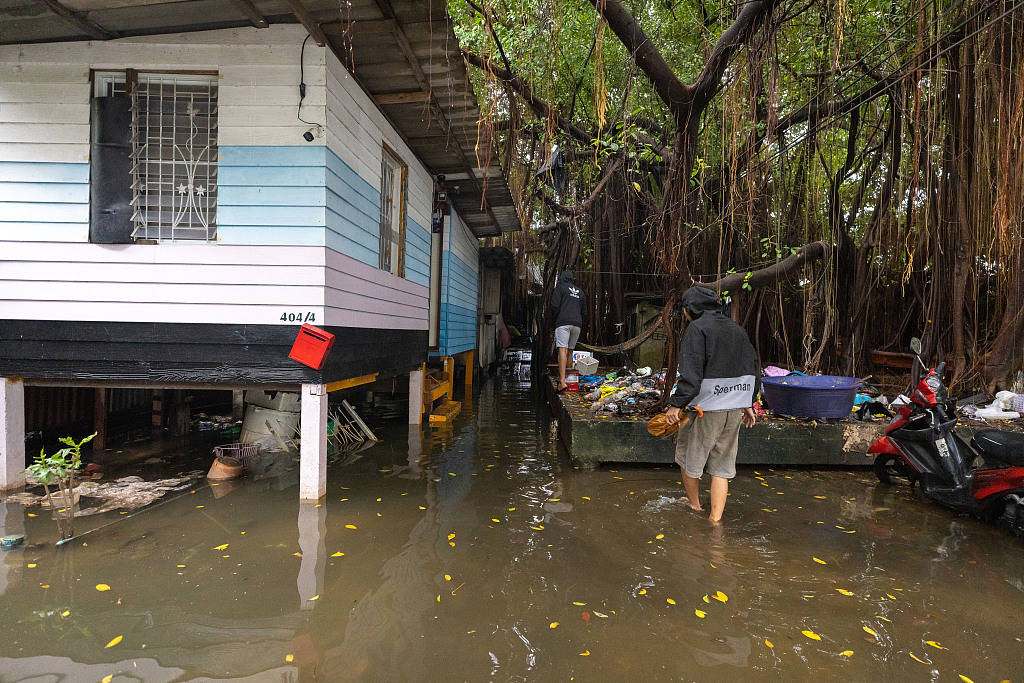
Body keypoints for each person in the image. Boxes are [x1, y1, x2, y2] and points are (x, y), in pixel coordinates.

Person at [665, 286, 759, 522]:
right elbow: (752, 368)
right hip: (734, 409)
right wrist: (748, 402)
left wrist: (676, 404)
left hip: (706, 409)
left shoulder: (697, 329)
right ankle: (715, 521)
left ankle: (695, 507)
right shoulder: (737, 330)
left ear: (689, 310)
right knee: (722, 468)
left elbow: (692, 375)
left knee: (688, 459)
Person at [550, 269, 584, 392]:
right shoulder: (580, 292)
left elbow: (554, 306)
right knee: (570, 351)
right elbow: (583, 311)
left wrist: (555, 319)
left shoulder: (560, 288)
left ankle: (562, 382)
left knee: (562, 350)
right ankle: (569, 381)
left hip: (563, 323)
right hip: (577, 324)